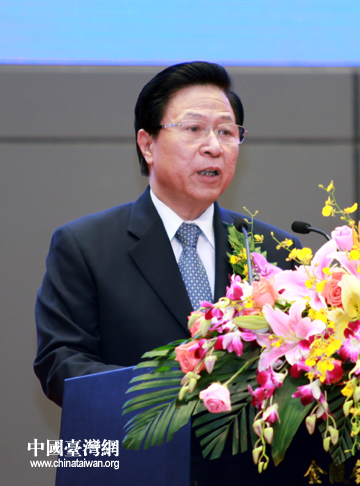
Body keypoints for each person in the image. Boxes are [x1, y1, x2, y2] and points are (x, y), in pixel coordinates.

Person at [34, 61, 301, 408]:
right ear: (147, 145)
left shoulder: (273, 251)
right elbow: (62, 364)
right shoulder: (85, 247)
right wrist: (171, 396)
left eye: (226, 131)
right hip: (135, 439)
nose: (214, 146)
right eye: (194, 128)